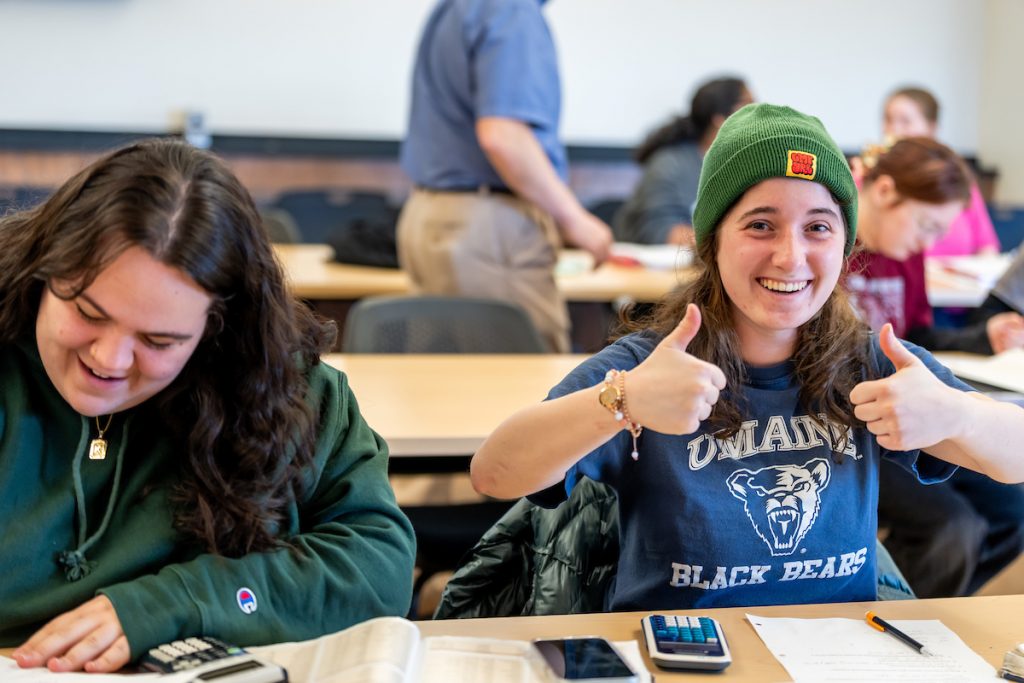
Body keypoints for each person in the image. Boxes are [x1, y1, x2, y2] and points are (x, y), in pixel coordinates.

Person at [469, 103, 1024, 611]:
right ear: (712, 242)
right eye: (760, 225)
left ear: (844, 244)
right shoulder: (654, 365)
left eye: (818, 228)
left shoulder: (869, 361)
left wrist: (958, 413)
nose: (791, 256)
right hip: (684, 658)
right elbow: (494, 471)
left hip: (836, 656)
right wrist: (623, 400)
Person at [1, 140, 416, 672]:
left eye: (158, 341)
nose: (109, 359)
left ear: (215, 329)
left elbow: (378, 568)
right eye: (87, 311)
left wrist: (178, 603)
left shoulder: (289, 391)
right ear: (44, 270)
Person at [847, 137, 1024, 597]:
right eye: (925, 225)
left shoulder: (903, 253)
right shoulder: (832, 243)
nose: (925, 243)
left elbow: (916, 339)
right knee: (953, 530)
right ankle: (888, 613)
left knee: (1013, 510)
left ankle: (936, 602)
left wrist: (981, 338)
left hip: (912, 410)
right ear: (883, 192)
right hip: (854, 424)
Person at [396, 0, 613, 354]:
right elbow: (503, 137)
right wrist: (575, 221)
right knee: (529, 387)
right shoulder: (512, 11)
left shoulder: (457, 8)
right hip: (487, 228)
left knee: (451, 388)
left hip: (429, 213)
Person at [614, 77, 753, 246]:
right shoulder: (669, 164)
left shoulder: (744, 166)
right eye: (748, 106)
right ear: (720, 119)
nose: (758, 115)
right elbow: (662, 232)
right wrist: (728, 244)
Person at [882, 86, 1000, 258]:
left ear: (931, 128)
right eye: (888, 120)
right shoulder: (874, 179)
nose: (893, 130)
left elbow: (987, 247)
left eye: (905, 121)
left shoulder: (956, 180)